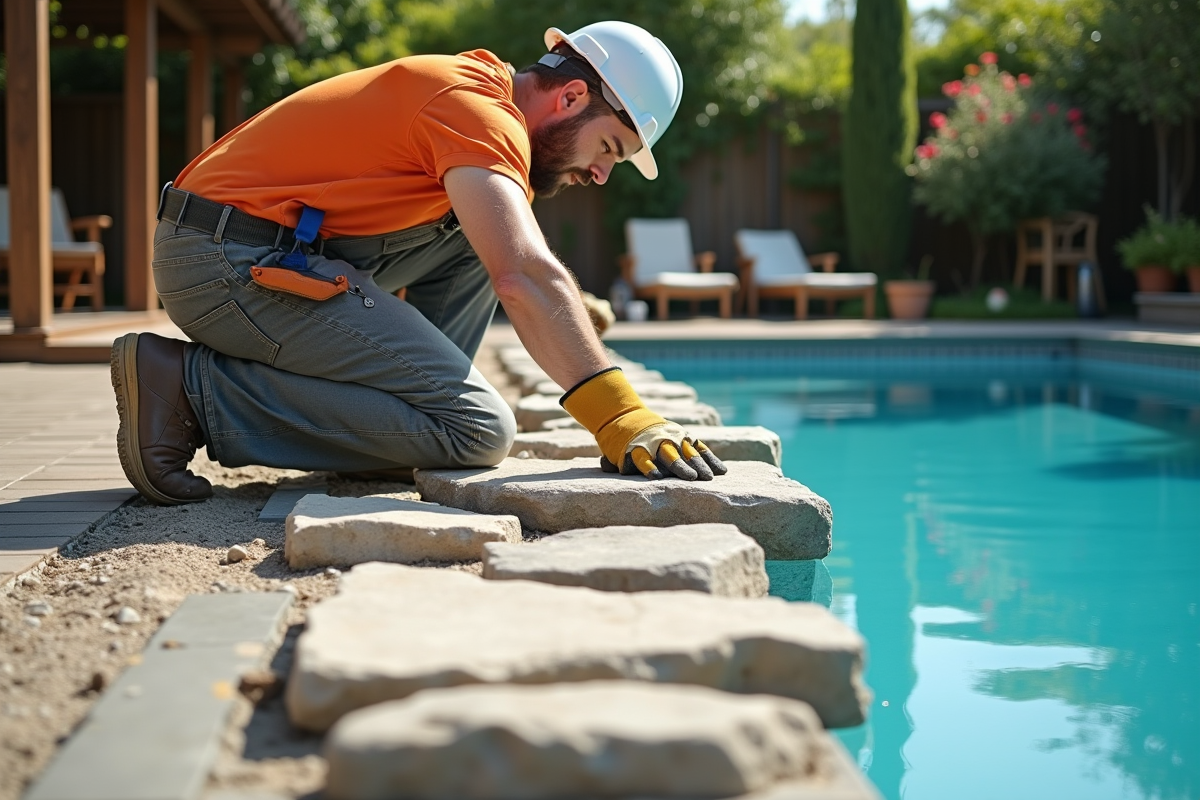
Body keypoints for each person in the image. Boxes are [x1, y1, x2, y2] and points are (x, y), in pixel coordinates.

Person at [109, 20, 727, 506]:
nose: (599, 173)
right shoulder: (476, 112)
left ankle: (421, 412)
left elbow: (507, 251)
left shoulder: (478, 104)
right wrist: (619, 414)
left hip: (266, 249)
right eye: (610, 149)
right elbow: (522, 274)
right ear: (570, 97)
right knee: (476, 433)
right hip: (223, 261)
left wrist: (564, 304)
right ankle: (189, 390)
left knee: (475, 243)